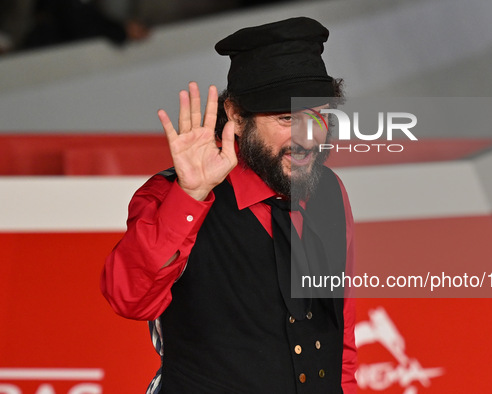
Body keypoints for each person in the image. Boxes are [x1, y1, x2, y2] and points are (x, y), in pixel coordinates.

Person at [101, 17, 357, 393]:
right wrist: (190, 196)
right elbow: (129, 299)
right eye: (286, 118)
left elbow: (341, 338)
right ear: (236, 116)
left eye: (317, 116)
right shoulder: (170, 194)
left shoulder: (330, 192)